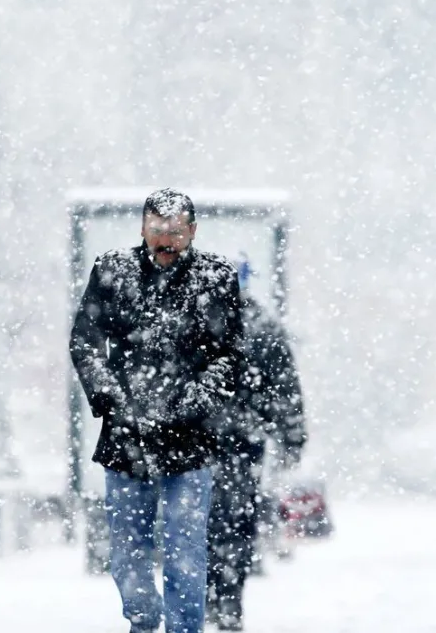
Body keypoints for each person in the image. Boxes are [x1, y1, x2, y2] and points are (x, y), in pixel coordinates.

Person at [70, 188, 243, 633]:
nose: (166, 240)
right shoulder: (112, 271)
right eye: (157, 230)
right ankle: (143, 622)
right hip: (125, 438)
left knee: (186, 550)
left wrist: (194, 403)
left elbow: (229, 354)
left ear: (193, 231)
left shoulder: (216, 278)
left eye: (176, 231)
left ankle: (185, 629)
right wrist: (110, 396)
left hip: (190, 438)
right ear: (142, 228)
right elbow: (85, 342)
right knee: (128, 550)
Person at [206, 255, 306, 631]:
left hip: (200, 443)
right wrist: (291, 437)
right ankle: (229, 597)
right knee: (236, 521)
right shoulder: (262, 324)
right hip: (243, 443)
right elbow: (285, 388)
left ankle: (208, 597)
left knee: (201, 522)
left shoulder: (195, 321)